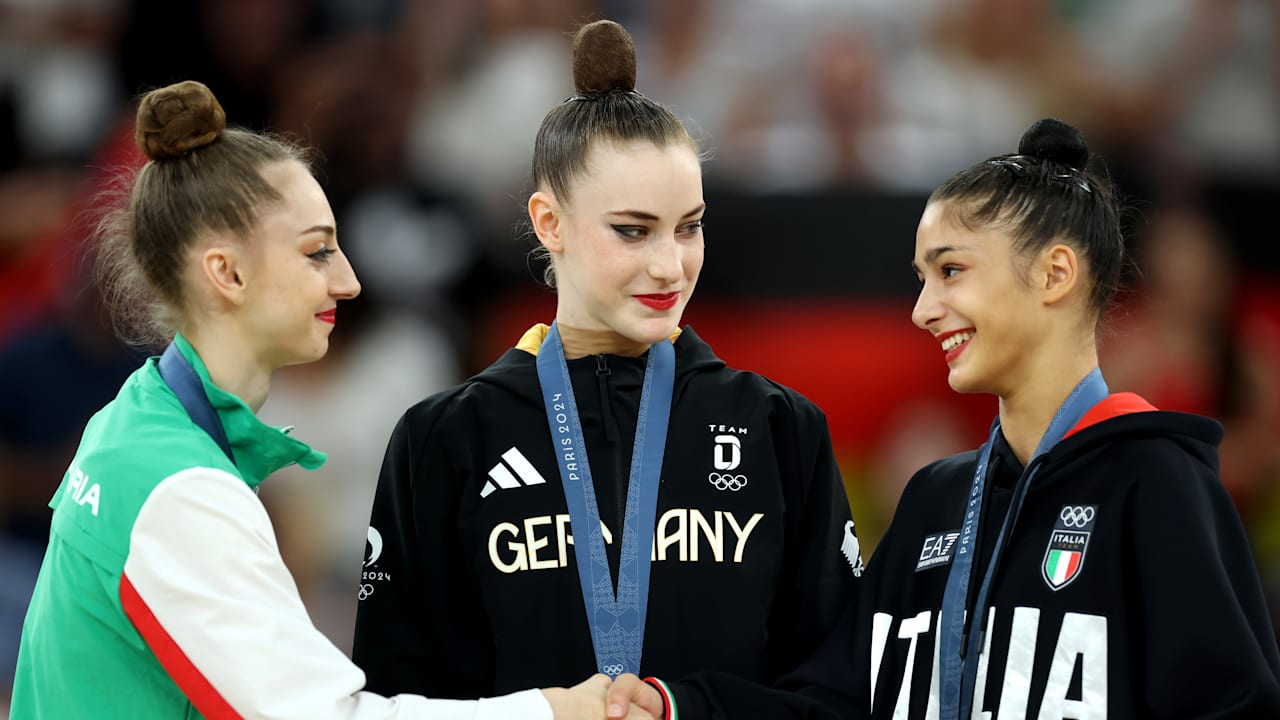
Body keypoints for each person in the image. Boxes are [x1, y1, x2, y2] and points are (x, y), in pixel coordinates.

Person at [8, 80, 647, 720]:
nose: (349, 280)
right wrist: (556, 711)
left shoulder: (133, 419)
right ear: (226, 273)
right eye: (317, 252)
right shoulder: (181, 488)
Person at [352, 19, 863, 720]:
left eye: (689, 226)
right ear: (549, 222)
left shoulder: (779, 429)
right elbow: (395, 700)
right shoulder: (446, 438)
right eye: (633, 230)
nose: (669, 265)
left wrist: (684, 707)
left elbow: (839, 696)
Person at [811, 118, 1280, 718]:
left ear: (1055, 274)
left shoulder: (1159, 483)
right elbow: (831, 702)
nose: (922, 311)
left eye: (950, 271)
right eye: (921, 280)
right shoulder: (934, 498)